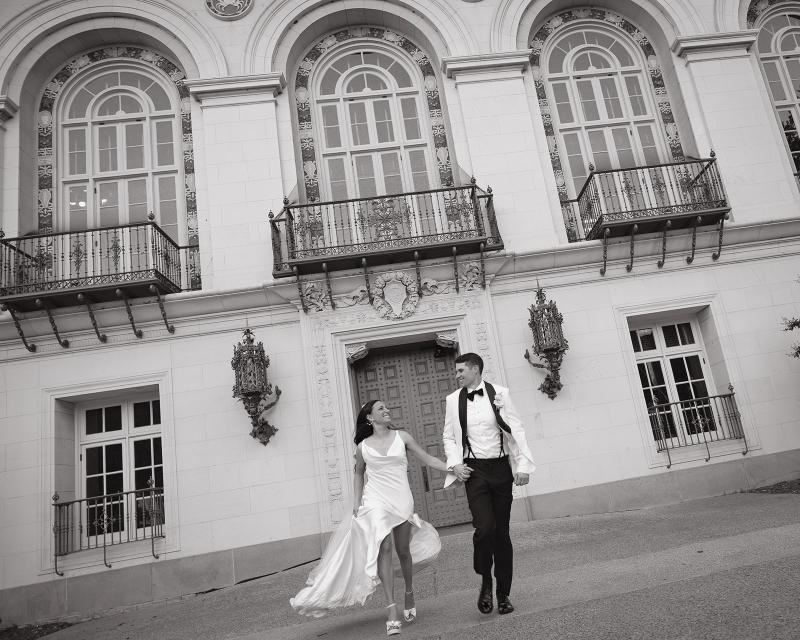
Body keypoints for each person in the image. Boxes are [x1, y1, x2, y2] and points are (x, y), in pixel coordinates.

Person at [291, 399, 447, 636]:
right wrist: (356, 501)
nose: (387, 410)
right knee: (384, 546)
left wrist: (453, 468)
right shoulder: (363, 447)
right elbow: (359, 474)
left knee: (403, 550)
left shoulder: (402, 437)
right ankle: (392, 610)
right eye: (381, 409)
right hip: (375, 500)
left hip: (401, 499)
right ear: (370, 419)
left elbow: (428, 459)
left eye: (386, 407)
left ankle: (409, 591)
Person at [442, 353, 535, 616]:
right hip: (475, 471)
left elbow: (516, 429)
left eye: (461, 370)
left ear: (475, 369)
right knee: (484, 528)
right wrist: (455, 463)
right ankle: (485, 579)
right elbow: (448, 436)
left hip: (501, 468)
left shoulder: (500, 393)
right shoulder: (453, 400)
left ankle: (503, 593)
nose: (457, 374)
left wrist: (524, 466)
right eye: (457, 371)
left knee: (502, 534)